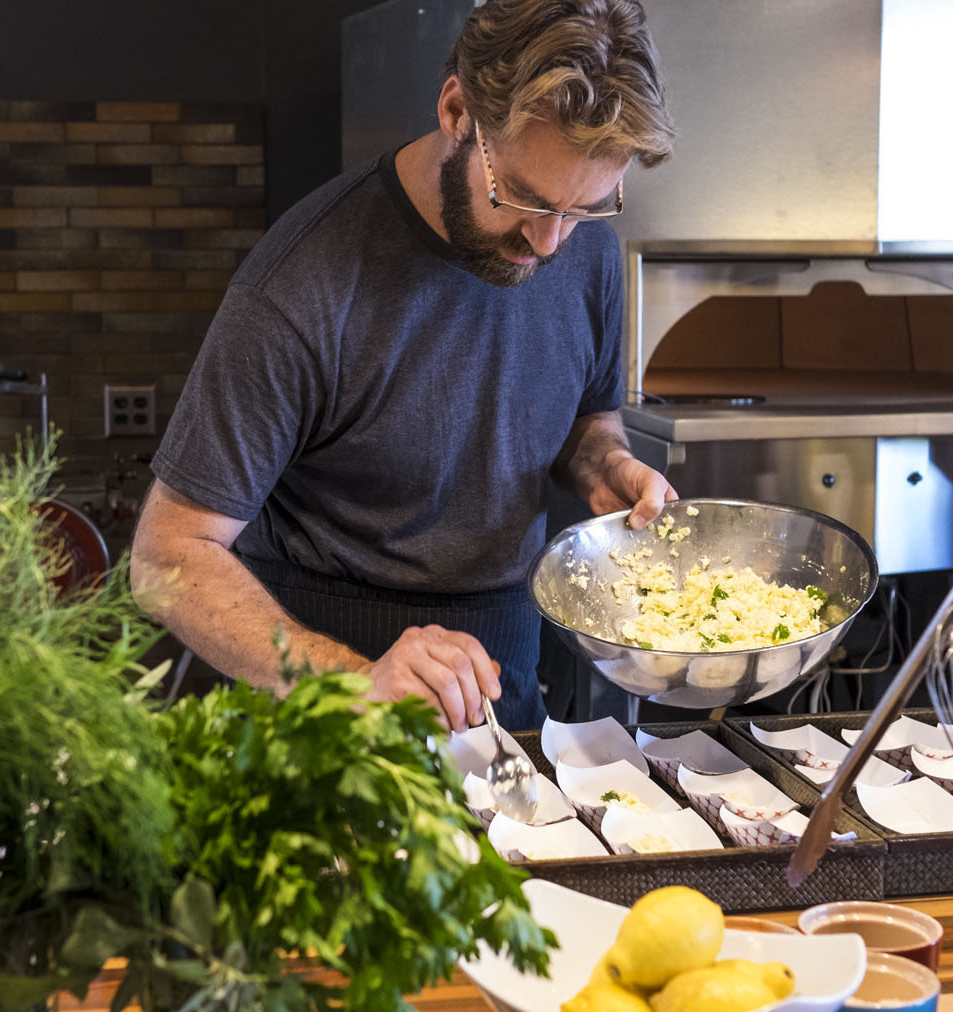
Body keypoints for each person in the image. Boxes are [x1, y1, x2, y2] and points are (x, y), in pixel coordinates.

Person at [130, 0, 676, 732]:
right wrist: (358, 683)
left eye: (585, 207)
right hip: (322, 704)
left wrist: (603, 462)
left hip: (507, 681)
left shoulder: (586, 249)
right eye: (522, 196)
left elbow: (586, 416)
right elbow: (167, 557)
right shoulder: (302, 285)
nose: (549, 243)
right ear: (456, 112)